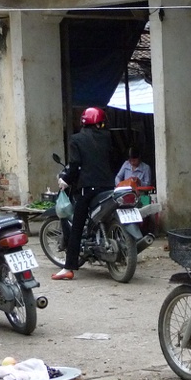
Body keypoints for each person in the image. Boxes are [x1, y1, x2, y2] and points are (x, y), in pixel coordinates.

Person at [52, 106, 114, 280]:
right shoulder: (109, 137)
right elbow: (114, 160)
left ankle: (69, 267)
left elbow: (75, 164)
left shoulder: (76, 139)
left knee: (77, 228)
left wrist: (66, 180)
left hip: (88, 188)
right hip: (109, 187)